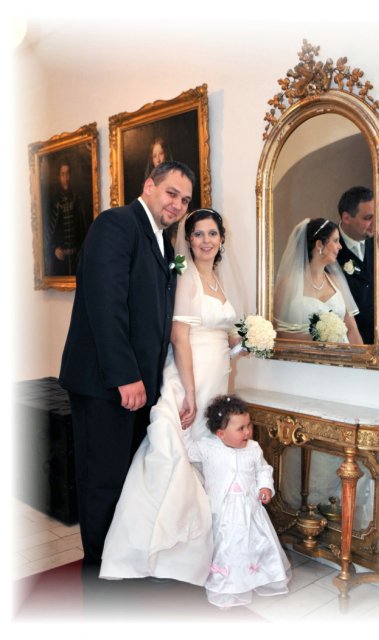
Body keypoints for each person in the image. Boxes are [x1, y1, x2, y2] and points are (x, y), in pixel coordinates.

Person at [59, 160, 195, 568]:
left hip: (139, 386)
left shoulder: (162, 242)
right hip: (106, 383)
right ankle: (98, 570)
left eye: (185, 200)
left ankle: (119, 563)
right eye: (171, 193)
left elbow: (154, 318)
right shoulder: (116, 224)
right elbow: (107, 305)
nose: (177, 205)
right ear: (149, 185)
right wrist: (126, 376)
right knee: (102, 483)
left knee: (127, 482)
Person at [99, 208, 246, 584]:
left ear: (222, 239)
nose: (206, 240)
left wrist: (248, 341)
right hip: (187, 375)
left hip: (217, 375)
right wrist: (190, 392)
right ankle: (161, 547)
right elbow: (179, 337)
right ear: (188, 240)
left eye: (212, 233)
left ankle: (207, 543)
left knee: (206, 450)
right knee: (176, 447)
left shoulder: (219, 280)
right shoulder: (184, 275)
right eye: (198, 234)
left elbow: (227, 334)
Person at [182, 394, 292, 608]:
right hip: (222, 511)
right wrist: (184, 429)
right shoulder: (208, 447)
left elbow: (263, 470)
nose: (248, 432)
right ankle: (229, 583)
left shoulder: (253, 448)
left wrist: (265, 487)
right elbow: (187, 451)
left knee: (254, 544)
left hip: (250, 509)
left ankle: (256, 576)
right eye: (241, 428)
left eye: (248, 426)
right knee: (228, 547)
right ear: (221, 433)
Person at [274, 217, 363, 344]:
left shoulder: (336, 281)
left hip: (341, 355)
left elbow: (352, 329)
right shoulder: (288, 284)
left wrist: (361, 356)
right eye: (335, 240)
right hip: (301, 355)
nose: (340, 246)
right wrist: (319, 337)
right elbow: (276, 330)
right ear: (320, 245)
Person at [337, 186, 374, 344]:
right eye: (368, 218)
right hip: (348, 342)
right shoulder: (329, 247)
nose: (374, 223)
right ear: (346, 218)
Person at [46, 159, 89, 276]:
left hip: (75, 258)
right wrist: (54, 249)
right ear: (59, 177)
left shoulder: (76, 199)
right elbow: (46, 231)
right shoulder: (54, 201)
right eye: (63, 174)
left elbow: (82, 229)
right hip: (60, 260)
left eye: (68, 173)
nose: (66, 178)